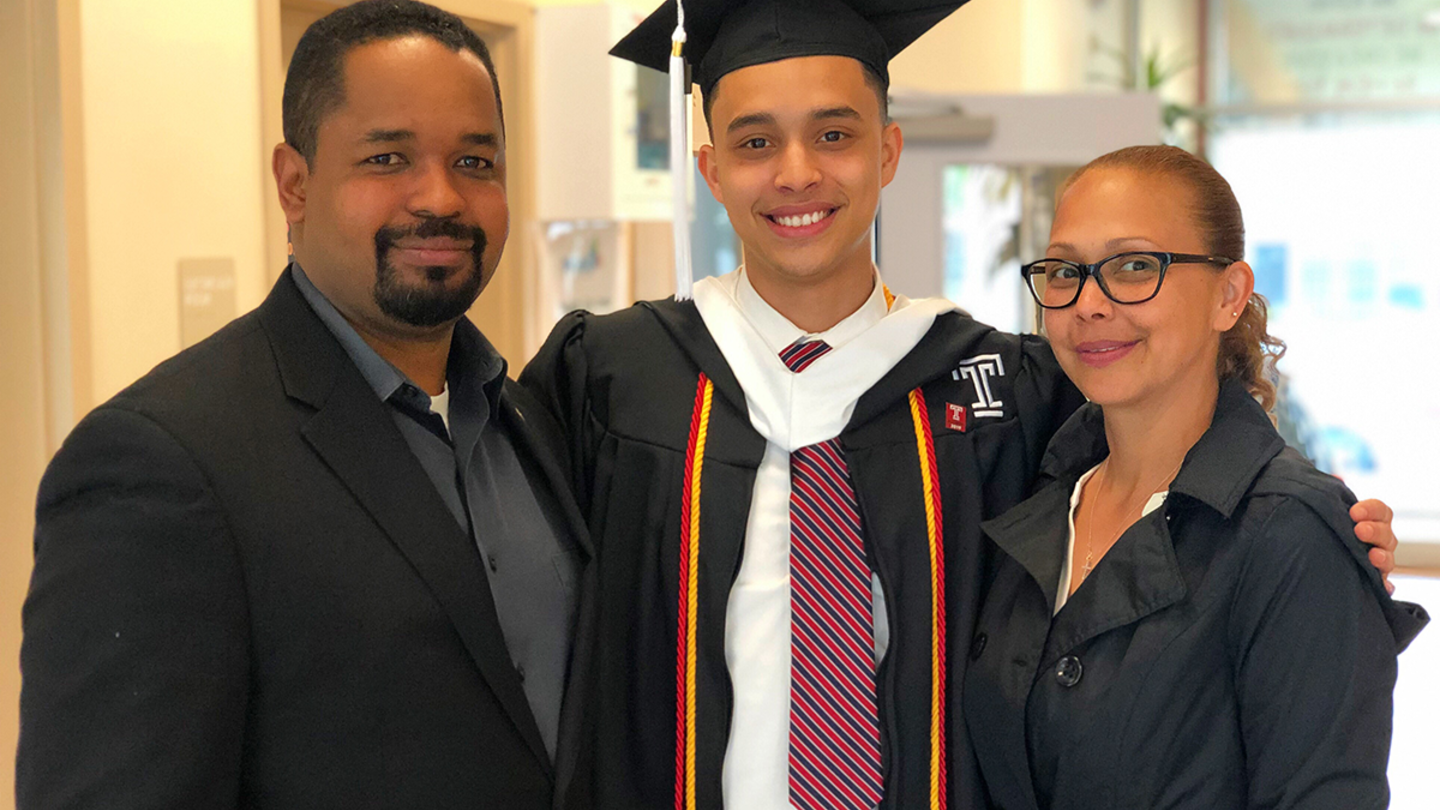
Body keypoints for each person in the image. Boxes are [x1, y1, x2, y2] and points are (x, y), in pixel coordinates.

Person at [518, 3, 1405, 809]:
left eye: (835, 134)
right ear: (710, 169)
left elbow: (1173, 454)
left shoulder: (999, 388)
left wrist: (1320, 524)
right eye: (754, 144)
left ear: (887, 152)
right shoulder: (609, 375)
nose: (796, 173)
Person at [18, 2, 591, 808]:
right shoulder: (163, 463)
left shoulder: (530, 422)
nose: (441, 198)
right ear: (294, 183)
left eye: (475, 161)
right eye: (388, 158)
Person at [962, 145, 1428, 810]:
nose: (1088, 303)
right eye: (1065, 271)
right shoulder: (1037, 501)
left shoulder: (1289, 533)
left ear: (1228, 294)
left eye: (1134, 267)